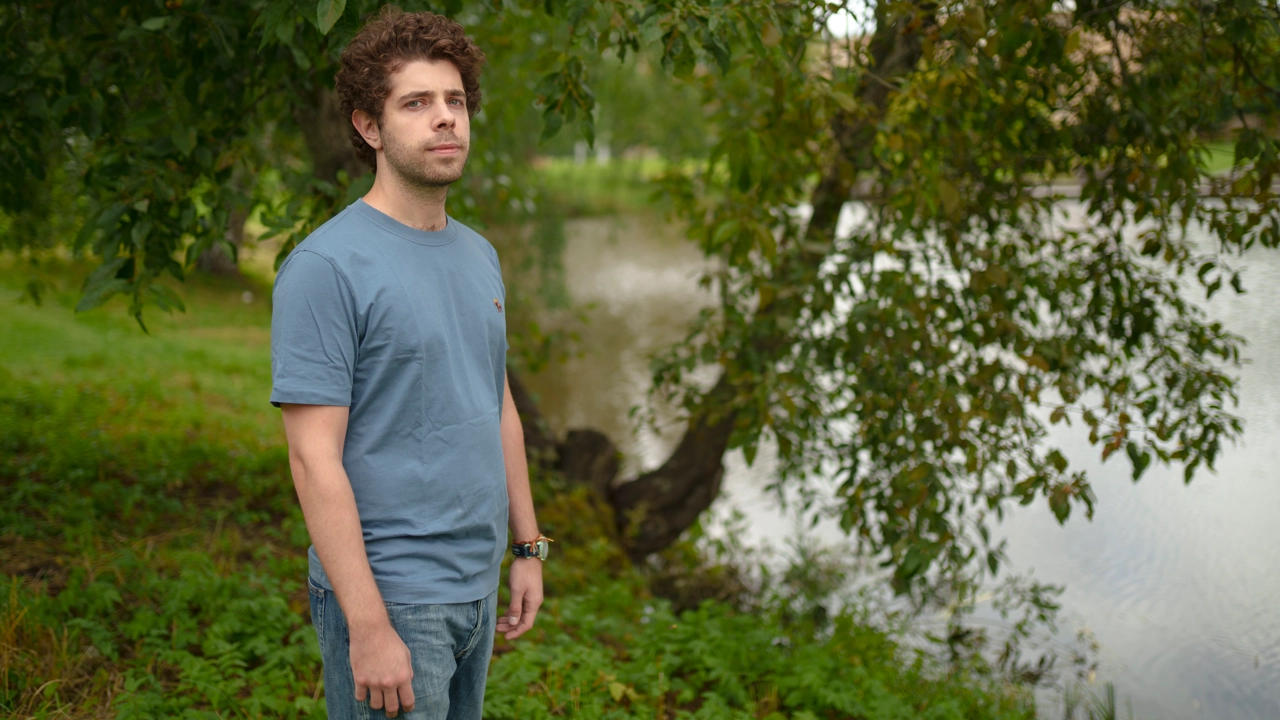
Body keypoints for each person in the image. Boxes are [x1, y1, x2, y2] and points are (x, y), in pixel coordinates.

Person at [269, 8, 547, 719]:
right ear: (370, 129)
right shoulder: (326, 267)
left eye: (454, 101)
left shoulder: (478, 252)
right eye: (416, 103)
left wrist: (527, 547)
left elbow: (498, 405)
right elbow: (311, 459)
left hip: (475, 589)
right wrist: (367, 625)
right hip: (392, 597)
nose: (445, 119)